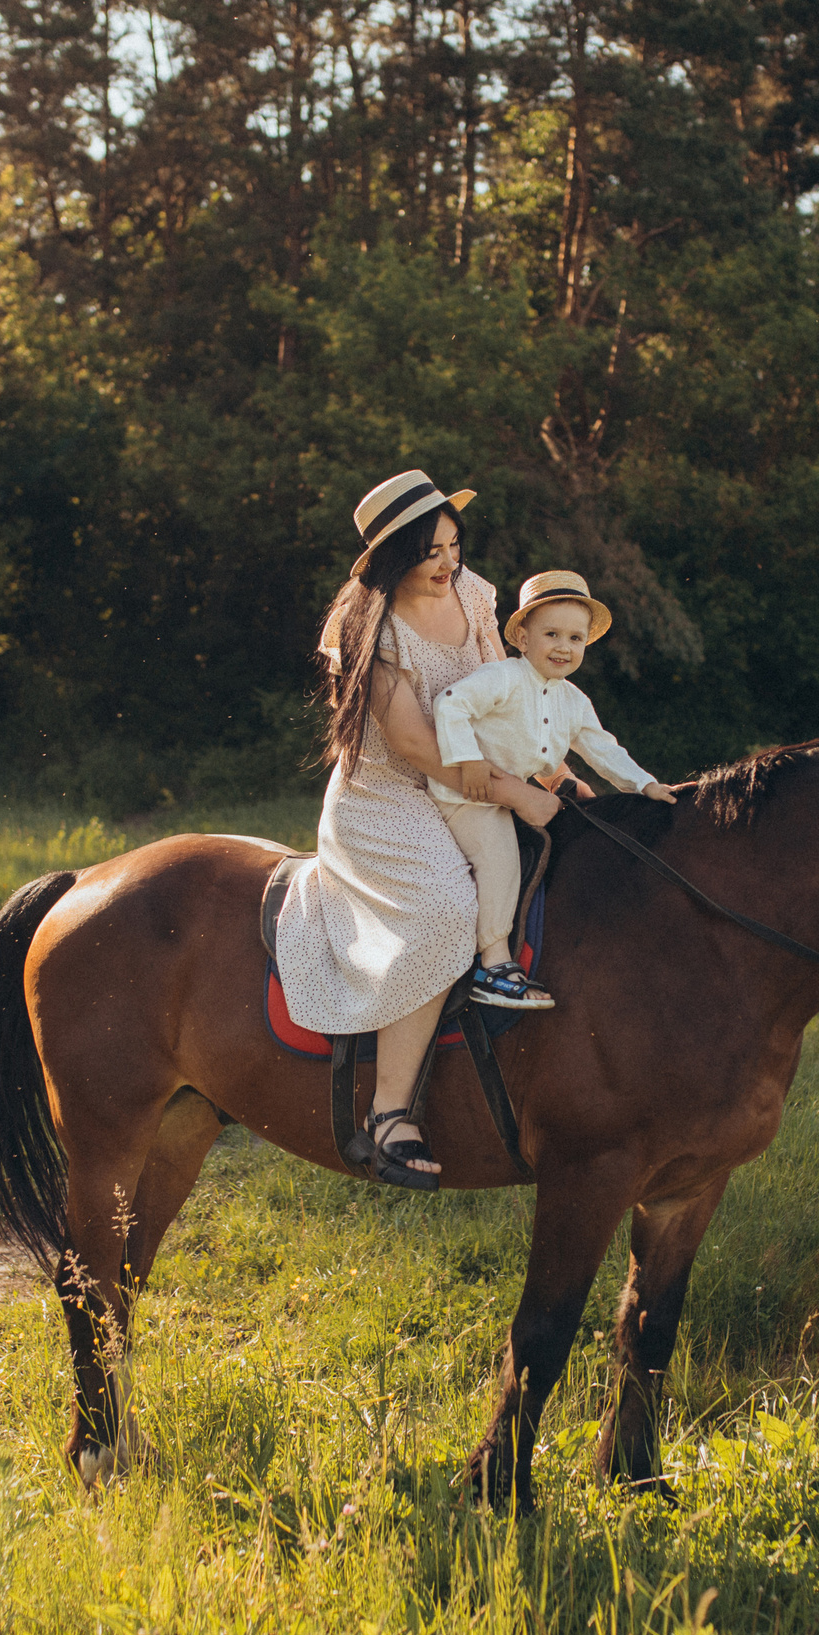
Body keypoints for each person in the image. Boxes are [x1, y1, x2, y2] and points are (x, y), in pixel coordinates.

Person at [270, 471, 560, 1188]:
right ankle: (390, 1113)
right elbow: (417, 746)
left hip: (471, 777)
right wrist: (513, 792)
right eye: (429, 551)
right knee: (443, 909)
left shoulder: (474, 594)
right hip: (390, 798)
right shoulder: (370, 629)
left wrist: (543, 763)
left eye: (453, 545)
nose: (446, 563)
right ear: (395, 556)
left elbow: (502, 691)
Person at [430, 570, 678, 1010]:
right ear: (523, 639)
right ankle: (494, 965)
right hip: (469, 795)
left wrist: (645, 784)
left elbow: (602, 749)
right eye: (551, 634)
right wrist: (468, 760)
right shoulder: (504, 678)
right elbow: (451, 702)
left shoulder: (573, 700)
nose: (564, 647)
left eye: (575, 639)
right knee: (499, 856)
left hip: (514, 795)